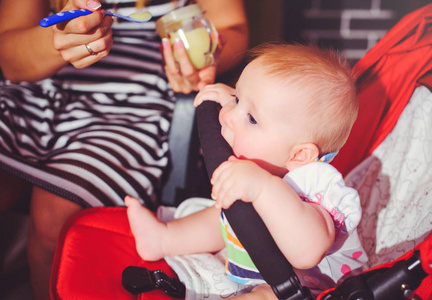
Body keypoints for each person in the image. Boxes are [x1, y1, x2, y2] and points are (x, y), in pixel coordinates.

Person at [0, 0, 248, 299]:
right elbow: (9, 57)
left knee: (57, 218)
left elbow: (233, 27)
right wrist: (57, 42)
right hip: (35, 93)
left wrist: (208, 57)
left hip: (136, 104)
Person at [125, 43, 368, 298]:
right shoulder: (268, 154)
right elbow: (259, 110)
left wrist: (264, 188)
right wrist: (229, 99)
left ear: (299, 155)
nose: (229, 116)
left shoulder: (313, 186)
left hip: (297, 284)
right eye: (238, 99)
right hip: (250, 255)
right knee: (222, 213)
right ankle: (164, 238)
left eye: (251, 118)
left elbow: (307, 253)